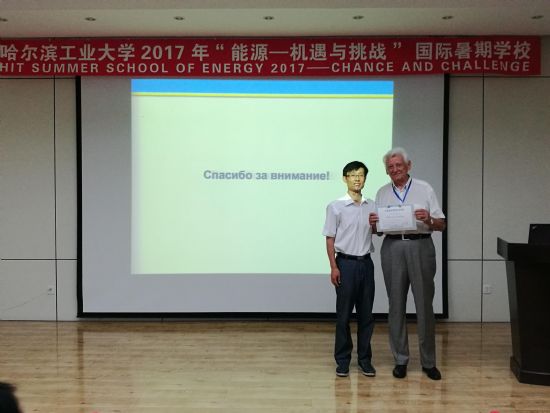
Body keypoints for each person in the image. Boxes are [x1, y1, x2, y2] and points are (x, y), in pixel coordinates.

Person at [369, 147, 446, 381]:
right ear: (387, 171)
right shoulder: (382, 192)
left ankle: (428, 362)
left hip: (420, 245)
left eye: (398, 165)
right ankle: (400, 359)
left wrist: (428, 219)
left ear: (408, 166)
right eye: (390, 167)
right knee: (395, 305)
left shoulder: (424, 188)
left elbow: (441, 224)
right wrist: (373, 224)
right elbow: (378, 231)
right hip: (392, 247)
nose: (395, 170)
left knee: (424, 305)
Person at [323, 161, 376, 378]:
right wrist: (333, 266)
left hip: (366, 264)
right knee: (343, 315)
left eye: (361, 175)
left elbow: (379, 231)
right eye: (353, 175)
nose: (357, 179)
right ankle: (343, 361)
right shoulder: (335, 206)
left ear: (365, 179)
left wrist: (379, 224)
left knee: (366, 316)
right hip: (345, 264)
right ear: (345, 178)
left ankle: (365, 360)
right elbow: (330, 238)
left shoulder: (372, 205)